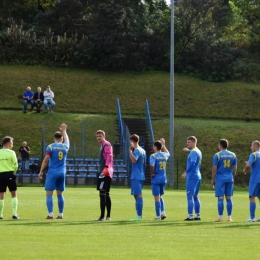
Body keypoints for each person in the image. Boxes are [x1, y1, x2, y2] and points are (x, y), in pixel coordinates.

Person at [38, 123, 69, 219]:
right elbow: (67, 140)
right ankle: (60, 214)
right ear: (62, 139)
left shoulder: (50, 147)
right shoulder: (65, 147)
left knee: (49, 193)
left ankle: (50, 214)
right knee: (60, 194)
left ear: (54, 138)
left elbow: (46, 159)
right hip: (62, 173)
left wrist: (41, 171)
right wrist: (64, 131)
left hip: (52, 172)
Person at [212, 139, 237, 222]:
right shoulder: (233, 155)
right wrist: (232, 176)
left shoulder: (217, 155)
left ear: (220, 145)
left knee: (220, 198)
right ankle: (229, 217)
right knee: (229, 197)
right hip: (229, 178)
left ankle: (220, 217)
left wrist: (213, 180)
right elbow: (235, 168)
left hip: (220, 179)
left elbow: (214, 169)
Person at [181, 136, 202, 221]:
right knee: (196, 196)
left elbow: (193, 162)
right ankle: (197, 215)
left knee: (190, 196)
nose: (187, 143)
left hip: (192, 176)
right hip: (198, 175)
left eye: (189, 142)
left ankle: (190, 216)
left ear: (193, 142)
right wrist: (188, 151)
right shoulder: (198, 151)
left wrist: (186, 172)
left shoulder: (193, 152)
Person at [150, 138, 170, 221]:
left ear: (155, 147)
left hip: (156, 178)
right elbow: (169, 153)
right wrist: (164, 146)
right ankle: (163, 212)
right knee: (161, 196)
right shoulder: (164, 155)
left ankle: (158, 216)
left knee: (156, 198)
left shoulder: (153, 156)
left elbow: (152, 165)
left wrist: (151, 173)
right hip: (163, 178)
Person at [95, 130, 113, 221]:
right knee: (106, 194)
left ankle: (103, 216)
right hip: (106, 171)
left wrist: (105, 168)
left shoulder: (106, 144)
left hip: (105, 172)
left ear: (104, 136)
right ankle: (107, 216)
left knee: (102, 194)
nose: (98, 138)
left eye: (100, 136)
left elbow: (109, 156)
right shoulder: (103, 145)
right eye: (97, 136)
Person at [0, 136, 19, 219]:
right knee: (14, 194)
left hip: (0, 175)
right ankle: (14, 213)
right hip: (10, 174)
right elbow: (15, 165)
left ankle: (0, 214)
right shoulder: (11, 153)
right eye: (11, 143)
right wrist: (13, 171)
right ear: (7, 144)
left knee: (1, 195)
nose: (12, 145)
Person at [129, 134, 146, 221]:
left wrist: (130, 151)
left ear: (132, 141)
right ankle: (138, 214)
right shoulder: (143, 150)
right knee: (136, 195)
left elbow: (133, 160)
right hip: (141, 175)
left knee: (138, 195)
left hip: (136, 175)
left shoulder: (136, 150)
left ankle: (139, 216)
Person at [243, 140, 260, 222]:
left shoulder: (253, 154)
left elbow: (249, 165)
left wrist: (245, 169)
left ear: (255, 146)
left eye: (251, 146)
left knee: (252, 197)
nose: (251, 147)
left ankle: (252, 217)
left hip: (255, 179)